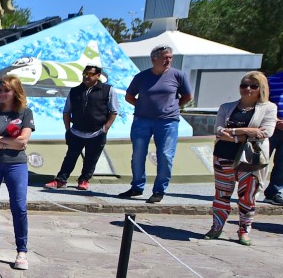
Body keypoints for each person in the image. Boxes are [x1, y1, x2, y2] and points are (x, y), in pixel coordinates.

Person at [205, 71, 277, 246]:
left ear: (261, 88)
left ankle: (244, 230)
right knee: (222, 194)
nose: (248, 89)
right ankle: (217, 226)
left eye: (253, 86)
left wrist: (233, 132)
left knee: (247, 196)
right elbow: (218, 131)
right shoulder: (226, 107)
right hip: (223, 155)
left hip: (250, 159)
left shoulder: (269, 108)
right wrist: (247, 131)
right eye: (244, 85)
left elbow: (265, 133)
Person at [120, 46, 193, 204]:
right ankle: (137, 187)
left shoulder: (178, 75)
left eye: (170, 57)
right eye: (165, 57)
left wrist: (173, 107)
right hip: (142, 120)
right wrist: (142, 106)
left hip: (168, 122)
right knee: (138, 155)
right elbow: (129, 96)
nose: (168, 60)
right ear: (154, 59)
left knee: (165, 155)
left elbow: (188, 96)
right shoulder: (142, 76)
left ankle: (159, 190)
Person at [0, 75, 34, 270]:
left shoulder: (24, 113)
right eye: (0, 90)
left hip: (16, 164)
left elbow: (23, 142)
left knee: (19, 207)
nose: (2, 94)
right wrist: (8, 141)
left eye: (6, 90)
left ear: (15, 92)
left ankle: (22, 250)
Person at [44, 64, 116, 191]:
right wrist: (68, 129)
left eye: (90, 74)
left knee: (91, 158)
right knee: (70, 157)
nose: (86, 76)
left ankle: (84, 180)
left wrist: (106, 128)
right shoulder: (75, 90)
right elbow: (67, 111)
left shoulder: (108, 90)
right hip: (76, 132)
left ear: (98, 76)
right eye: (85, 74)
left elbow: (113, 111)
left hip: (97, 132)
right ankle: (61, 180)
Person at [263, 70, 283, 205]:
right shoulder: (270, 80)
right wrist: (275, 120)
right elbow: (262, 102)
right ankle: (249, 192)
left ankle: (274, 193)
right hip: (270, 127)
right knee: (259, 161)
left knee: (282, 164)